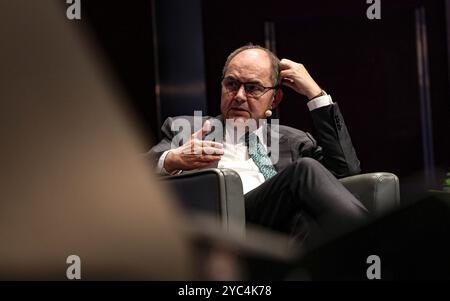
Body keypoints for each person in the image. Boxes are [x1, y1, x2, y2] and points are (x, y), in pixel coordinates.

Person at [147, 44, 369, 251]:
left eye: (253, 88)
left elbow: (345, 170)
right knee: (304, 170)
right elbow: (132, 172)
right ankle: (377, 243)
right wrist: (173, 159)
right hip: (220, 226)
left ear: (274, 99)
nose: (240, 96)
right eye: (232, 84)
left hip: (276, 235)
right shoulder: (187, 129)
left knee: (305, 220)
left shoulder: (294, 140)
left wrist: (316, 95)